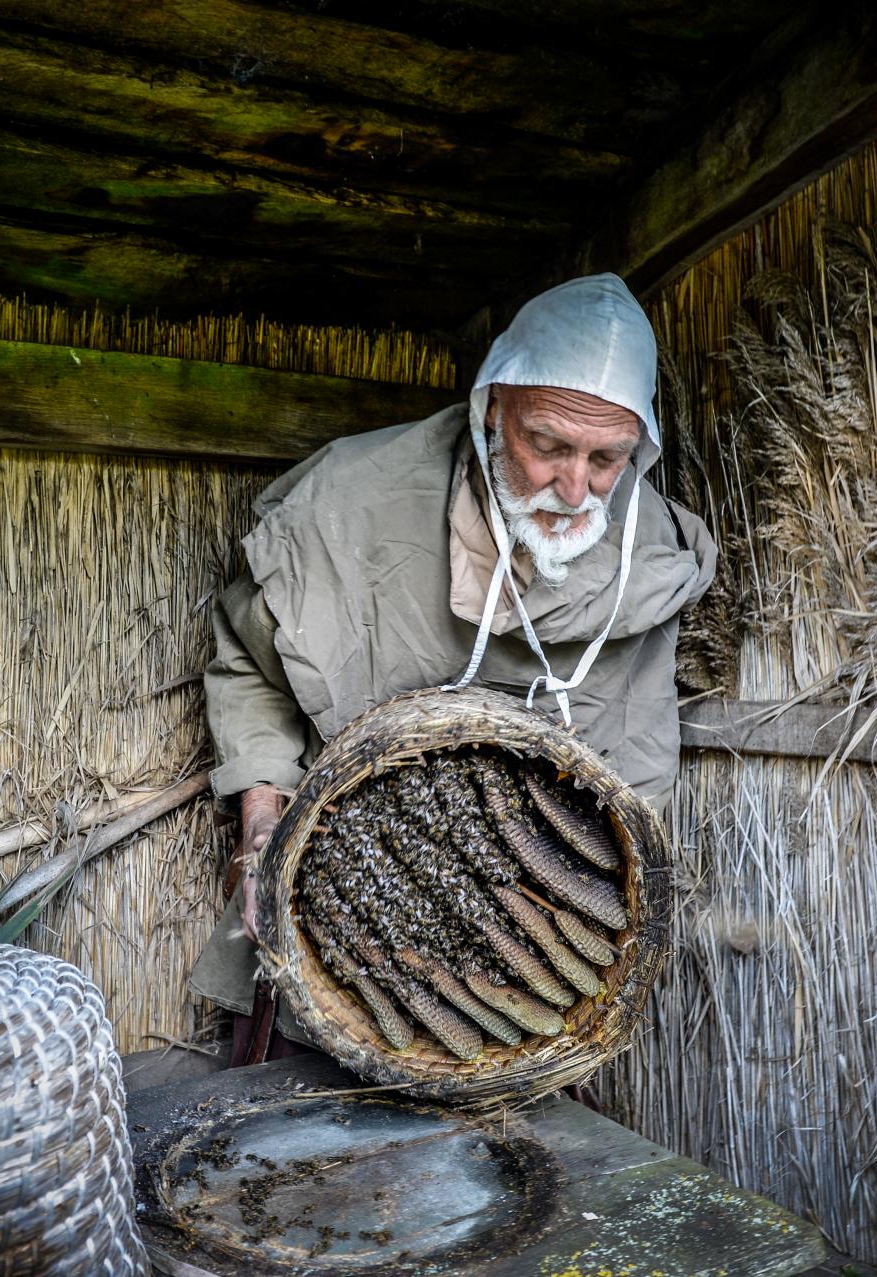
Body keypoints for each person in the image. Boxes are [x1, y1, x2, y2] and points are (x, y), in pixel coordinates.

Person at [189, 273, 718, 1061]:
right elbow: (254, 662)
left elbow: (633, 771)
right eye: (548, 445)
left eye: (607, 457)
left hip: (520, 970)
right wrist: (263, 815)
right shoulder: (353, 503)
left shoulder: (645, 562)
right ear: (492, 407)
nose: (575, 488)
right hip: (342, 930)